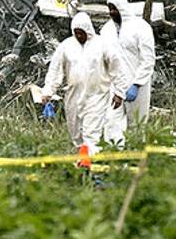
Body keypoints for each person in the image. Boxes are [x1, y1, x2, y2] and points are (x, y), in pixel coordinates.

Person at [40, 12, 128, 155]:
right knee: (76, 134)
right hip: (73, 96)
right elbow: (55, 70)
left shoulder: (102, 45)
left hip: (97, 96)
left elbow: (117, 68)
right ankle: (82, 160)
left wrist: (119, 92)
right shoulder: (66, 46)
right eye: (76, 33)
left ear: (88, 30)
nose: (79, 36)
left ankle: (90, 163)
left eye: (82, 33)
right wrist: (48, 91)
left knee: (91, 134)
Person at [100, 0, 157, 130]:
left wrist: (137, 84)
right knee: (111, 124)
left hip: (137, 85)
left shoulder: (141, 27)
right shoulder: (106, 30)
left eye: (115, 8)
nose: (112, 12)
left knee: (137, 125)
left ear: (122, 8)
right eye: (110, 9)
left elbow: (148, 59)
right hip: (114, 86)